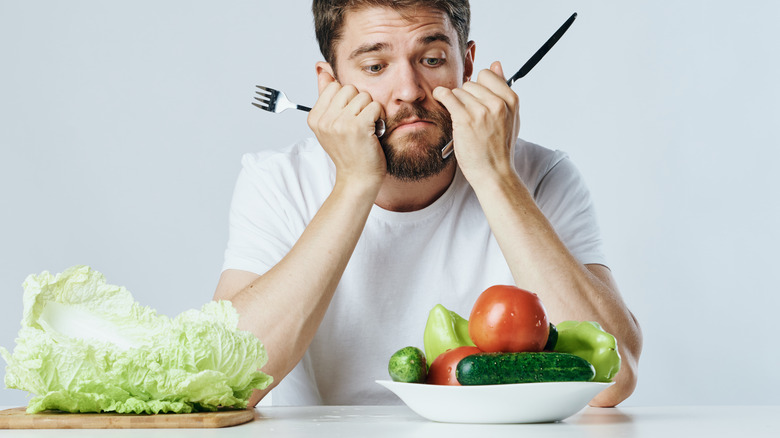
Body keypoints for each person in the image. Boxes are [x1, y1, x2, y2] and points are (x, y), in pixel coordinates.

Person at [214, 0, 642, 407]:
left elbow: (613, 380)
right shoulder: (277, 181)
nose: (409, 91)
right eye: (376, 66)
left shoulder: (542, 176)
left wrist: (497, 177)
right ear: (329, 84)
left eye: (432, 59)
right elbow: (222, 380)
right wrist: (355, 183)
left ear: (467, 65)